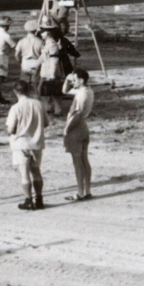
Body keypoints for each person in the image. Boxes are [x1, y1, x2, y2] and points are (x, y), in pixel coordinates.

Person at [6, 80, 47, 210]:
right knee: (36, 171)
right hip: (36, 142)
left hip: (22, 143)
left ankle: (28, 200)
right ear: (28, 90)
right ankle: (39, 199)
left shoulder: (15, 108)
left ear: (15, 92)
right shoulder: (38, 104)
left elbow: (10, 130)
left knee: (24, 173)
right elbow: (46, 123)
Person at [62, 68, 95, 201]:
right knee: (84, 159)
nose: (72, 82)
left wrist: (67, 130)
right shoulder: (87, 90)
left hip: (76, 127)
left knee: (77, 162)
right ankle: (87, 190)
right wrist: (67, 79)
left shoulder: (82, 94)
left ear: (81, 80)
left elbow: (77, 114)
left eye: (74, 80)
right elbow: (64, 91)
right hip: (84, 127)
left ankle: (80, 192)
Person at [39, 24, 67, 118]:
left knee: (55, 92)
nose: (41, 34)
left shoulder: (52, 44)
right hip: (46, 71)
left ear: (47, 33)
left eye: (42, 32)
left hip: (51, 72)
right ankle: (49, 108)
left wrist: (52, 74)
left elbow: (54, 60)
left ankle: (58, 110)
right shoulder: (48, 43)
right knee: (46, 92)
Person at [16, 19, 44, 97]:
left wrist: (20, 63)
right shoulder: (40, 41)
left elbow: (16, 55)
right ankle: (37, 98)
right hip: (36, 63)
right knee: (36, 84)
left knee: (24, 85)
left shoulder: (21, 41)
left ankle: (25, 98)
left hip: (25, 63)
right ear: (36, 30)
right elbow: (43, 55)